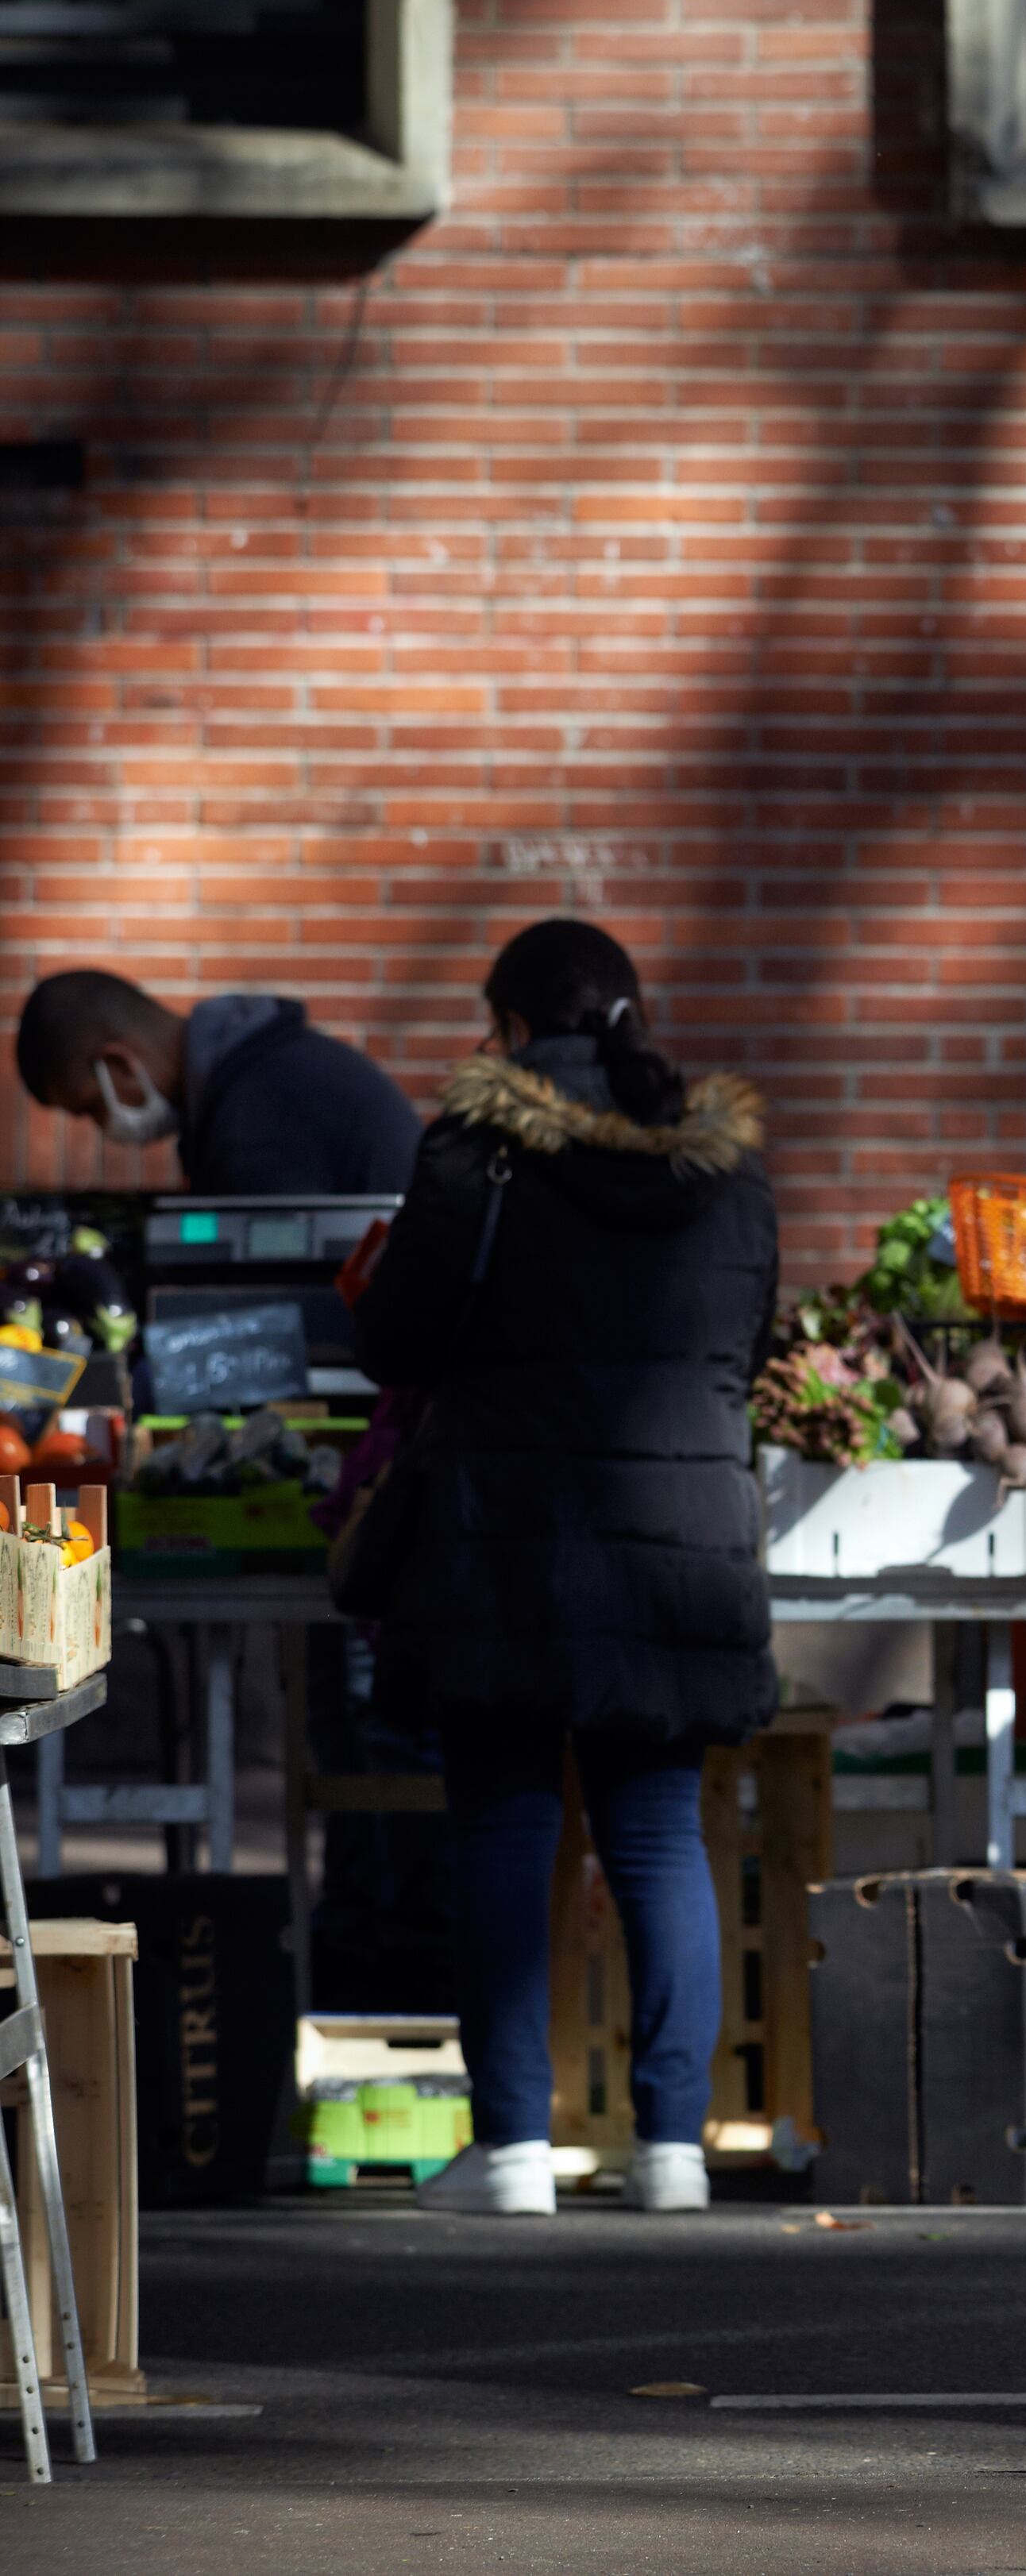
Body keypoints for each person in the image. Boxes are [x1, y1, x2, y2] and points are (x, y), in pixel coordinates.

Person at [349, 919, 781, 2219]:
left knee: (504, 1827)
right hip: (680, 1548)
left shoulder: (475, 1155)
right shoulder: (726, 1170)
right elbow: (749, 1342)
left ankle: (516, 2149)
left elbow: (404, 1339)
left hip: (506, 1539)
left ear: (515, 1030)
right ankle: (672, 2148)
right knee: (657, 1833)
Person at [14, 967, 419, 1194]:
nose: (104, 1128)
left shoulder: (261, 1109)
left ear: (120, 1065)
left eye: (92, 1108)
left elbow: (260, 1297)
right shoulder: (247, 1078)